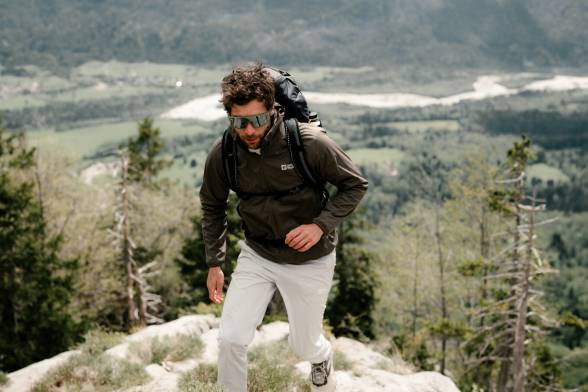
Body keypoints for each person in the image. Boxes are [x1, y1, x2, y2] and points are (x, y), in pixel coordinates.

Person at [200, 64, 368, 392]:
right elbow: (212, 204)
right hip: (258, 253)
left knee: (303, 346)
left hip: (310, 259)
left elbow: (355, 185)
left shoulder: (308, 142)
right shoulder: (225, 153)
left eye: (258, 119)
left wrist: (320, 226)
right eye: (239, 122)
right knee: (231, 338)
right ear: (229, 117)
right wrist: (214, 261)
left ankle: (321, 357)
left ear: (274, 110)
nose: (249, 130)